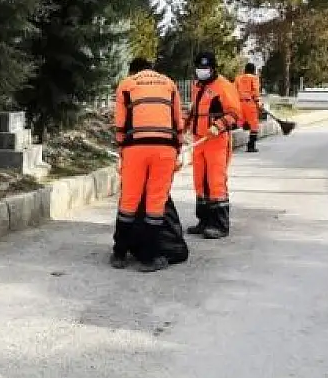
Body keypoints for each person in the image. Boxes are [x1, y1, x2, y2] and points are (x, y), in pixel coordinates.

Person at [111, 57, 186, 272]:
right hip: (164, 149)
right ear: (152, 69)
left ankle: (119, 254)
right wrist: (177, 150)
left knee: (129, 201)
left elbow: (120, 123)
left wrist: (122, 151)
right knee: (155, 204)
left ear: (133, 70)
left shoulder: (127, 84)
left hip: (135, 148)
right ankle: (148, 258)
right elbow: (177, 120)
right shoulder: (169, 84)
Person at [183, 51, 242, 239]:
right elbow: (194, 109)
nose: (201, 71)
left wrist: (218, 126)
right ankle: (204, 221)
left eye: (205, 68)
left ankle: (220, 224)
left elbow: (234, 114)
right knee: (200, 182)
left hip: (216, 140)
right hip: (199, 139)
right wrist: (183, 125)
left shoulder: (224, 86)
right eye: (199, 68)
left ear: (213, 68)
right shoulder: (197, 86)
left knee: (215, 181)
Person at [234, 62, 262, 153]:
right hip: (249, 103)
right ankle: (251, 146)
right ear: (253, 70)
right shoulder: (254, 78)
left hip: (239, 104)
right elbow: (255, 91)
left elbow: (233, 90)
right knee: (254, 125)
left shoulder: (238, 78)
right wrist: (258, 102)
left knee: (238, 122)